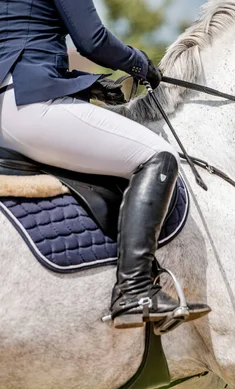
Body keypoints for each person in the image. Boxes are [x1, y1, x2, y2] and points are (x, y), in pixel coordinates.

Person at [0, 0, 210, 330]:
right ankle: (134, 290)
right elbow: (92, 40)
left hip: (9, 106)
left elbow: (21, 42)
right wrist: (140, 65)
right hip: (31, 103)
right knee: (157, 155)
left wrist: (85, 84)